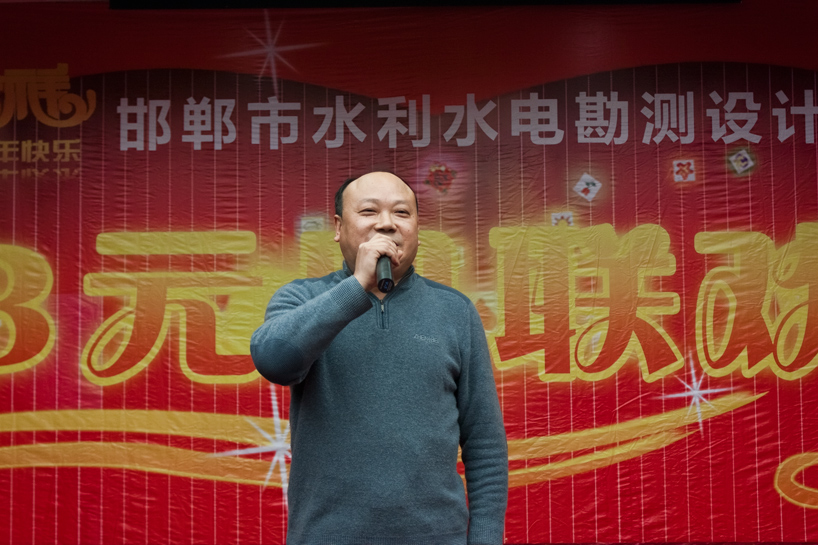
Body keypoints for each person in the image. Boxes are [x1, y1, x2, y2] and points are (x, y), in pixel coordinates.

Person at [250, 171, 508, 545]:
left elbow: (484, 443)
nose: (387, 224)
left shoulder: (455, 311)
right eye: (369, 211)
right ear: (338, 227)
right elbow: (275, 360)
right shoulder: (302, 299)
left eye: (401, 212)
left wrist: (485, 538)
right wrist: (358, 286)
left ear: (417, 228)